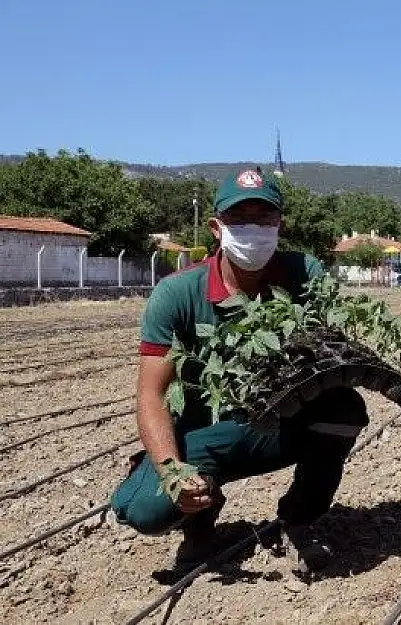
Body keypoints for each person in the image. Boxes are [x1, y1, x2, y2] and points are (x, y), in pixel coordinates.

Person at [110, 168, 369, 574]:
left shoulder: (305, 274)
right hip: (207, 431)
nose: (254, 229)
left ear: (280, 224)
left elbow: (329, 354)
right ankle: (200, 523)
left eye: (264, 218)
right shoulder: (177, 294)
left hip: (281, 421)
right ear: (216, 227)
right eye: (239, 219)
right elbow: (152, 395)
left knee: (343, 408)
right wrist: (172, 471)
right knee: (145, 509)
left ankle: (300, 519)